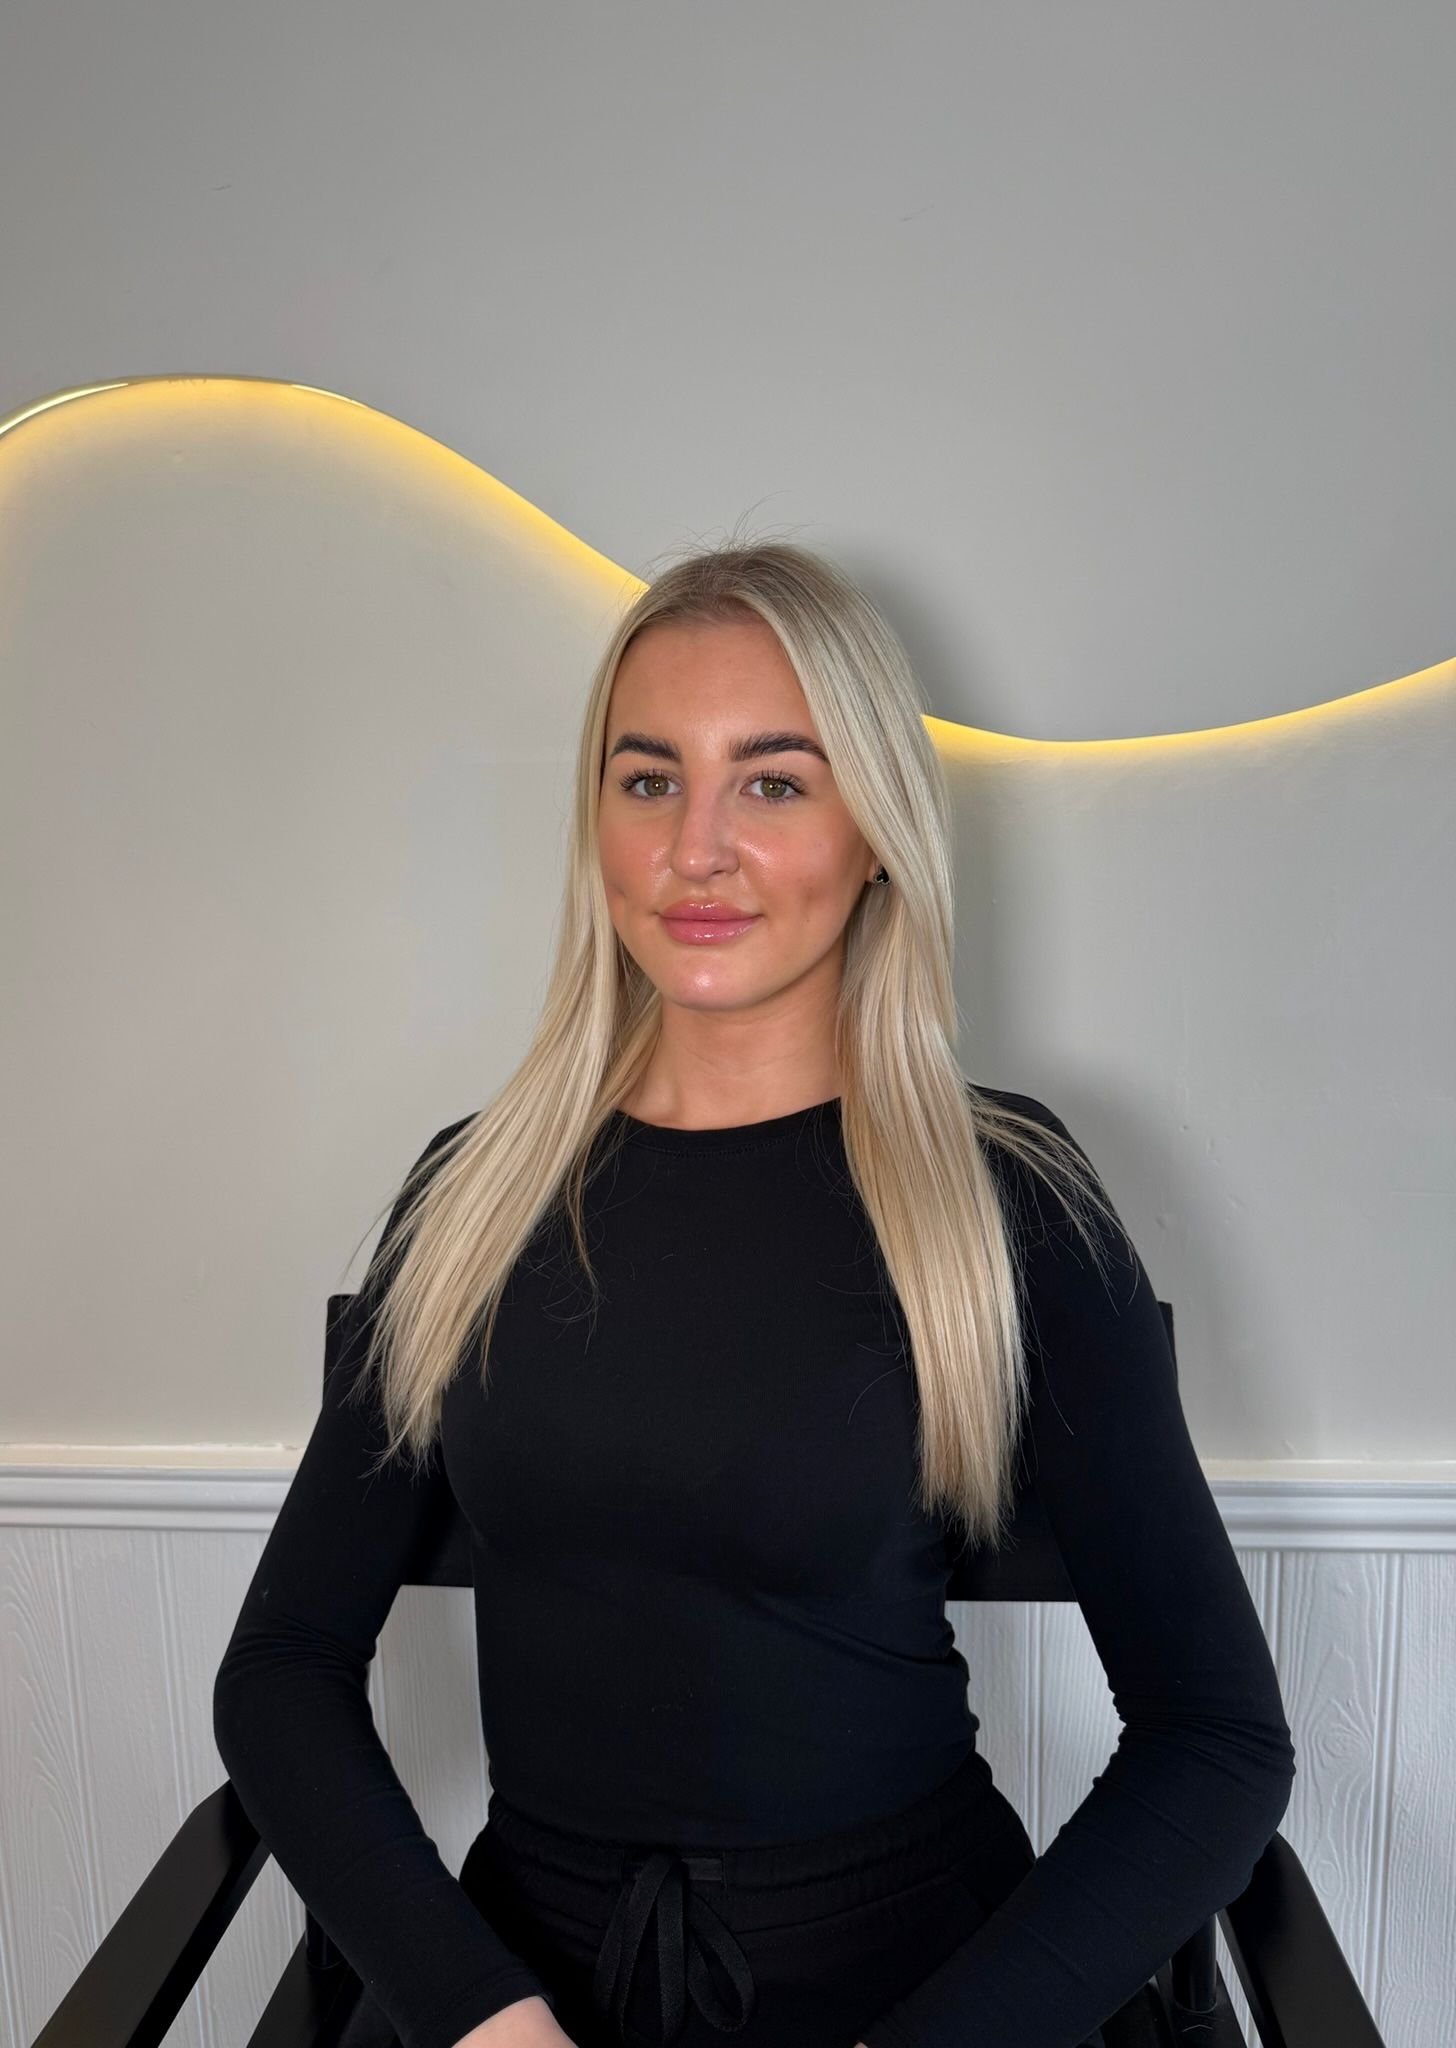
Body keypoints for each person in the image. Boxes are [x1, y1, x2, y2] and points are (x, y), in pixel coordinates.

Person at [212, 537, 1296, 2048]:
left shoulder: (1012, 1197)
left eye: (774, 783)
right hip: (522, 1995)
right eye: (649, 780)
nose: (697, 848)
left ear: (877, 833)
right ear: (597, 823)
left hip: (928, 1988)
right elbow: (279, 1674)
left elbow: (1216, 1738)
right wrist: (480, 2015)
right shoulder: (470, 1194)